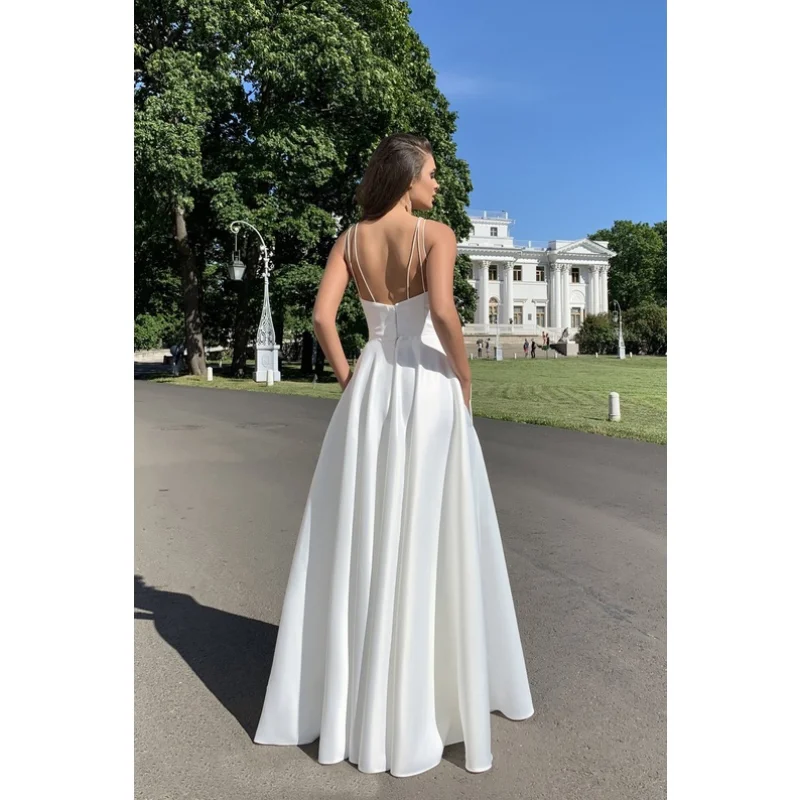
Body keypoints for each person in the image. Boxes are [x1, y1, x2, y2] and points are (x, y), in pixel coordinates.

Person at [254, 134, 533, 777]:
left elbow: (323, 318)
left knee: (367, 524)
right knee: (431, 527)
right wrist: (465, 377)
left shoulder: (350, 240)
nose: (437, 183)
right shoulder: (435, 235)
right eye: (431, 174)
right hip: (427, 384)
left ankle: (361, 688)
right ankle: (428, 687)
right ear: (408, 179)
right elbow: (442, 311)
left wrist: (348, 377)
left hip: (372, 384)